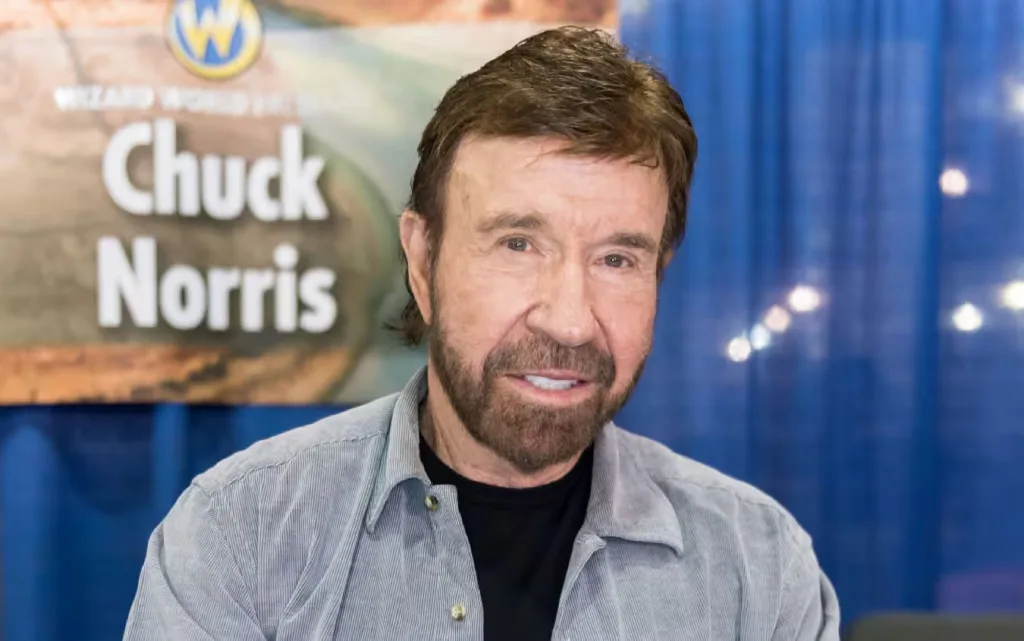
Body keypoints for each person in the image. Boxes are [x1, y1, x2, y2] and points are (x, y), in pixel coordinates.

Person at [123, 26, 840, 641]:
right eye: (517, 244)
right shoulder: (242, 534)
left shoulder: (758, 568)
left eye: (617, 259)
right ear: (422, 261)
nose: (569, 319)